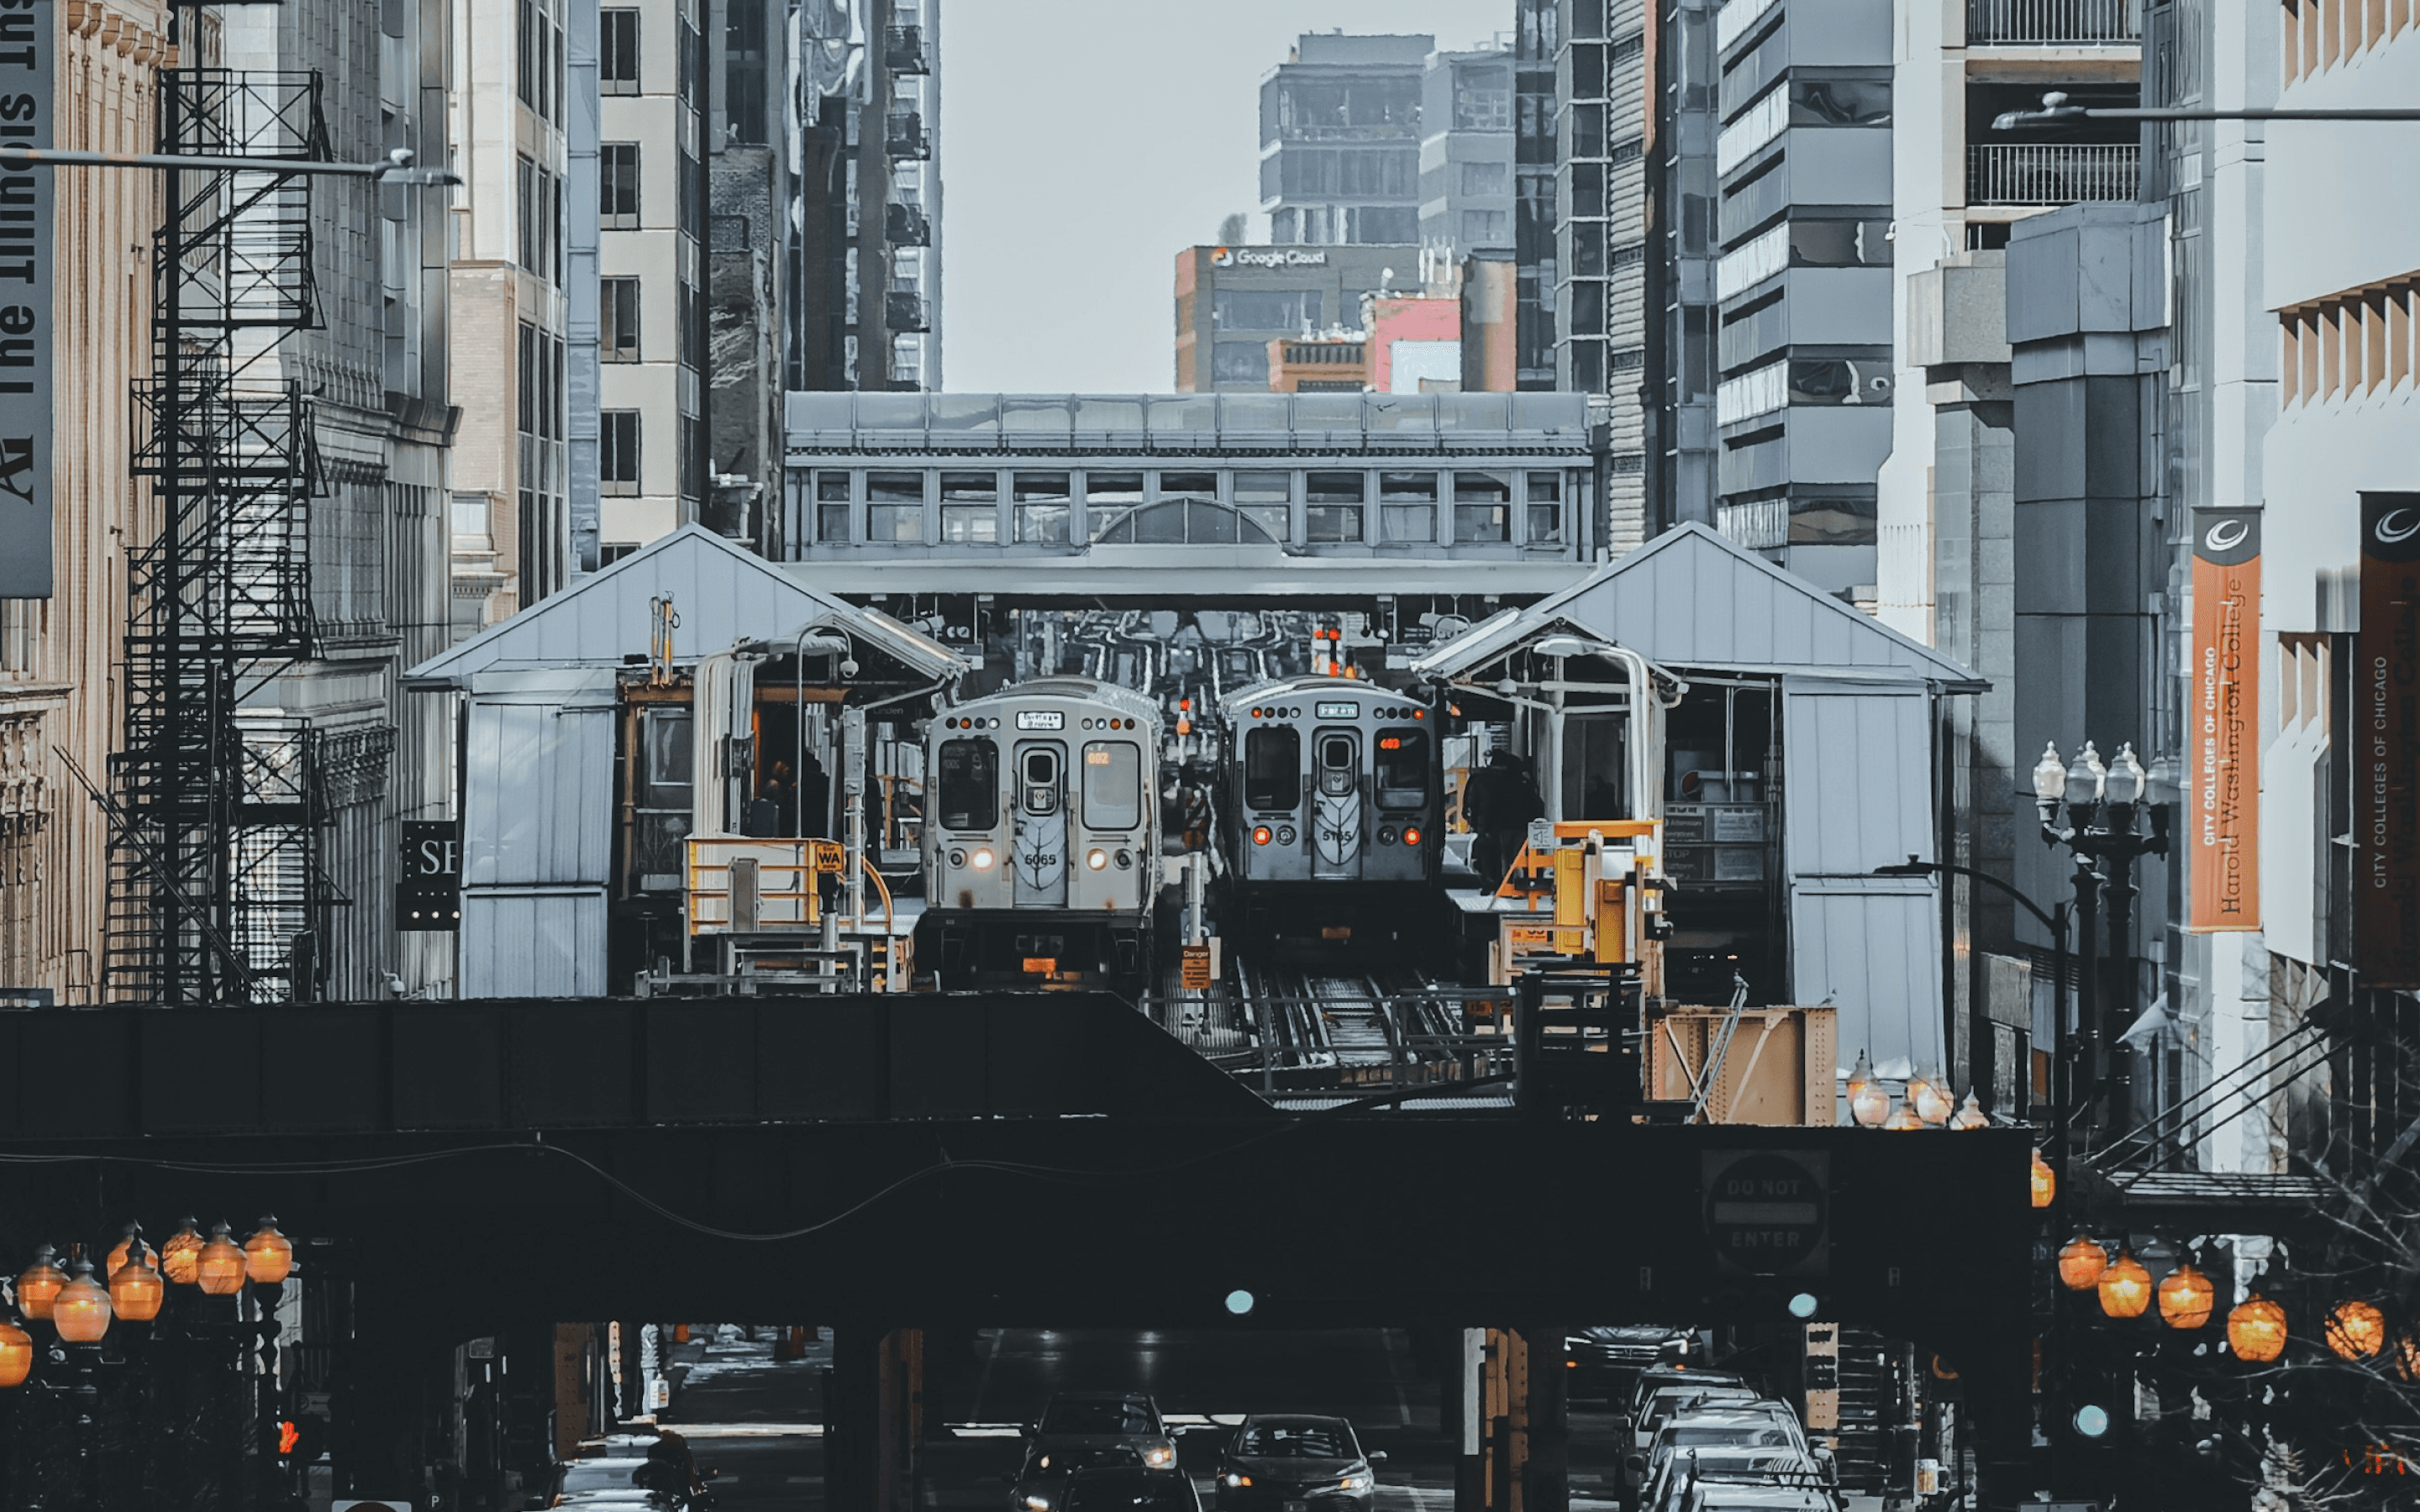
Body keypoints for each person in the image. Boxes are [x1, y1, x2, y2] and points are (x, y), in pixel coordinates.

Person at [1463, 749, 1543, 886]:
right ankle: (1517, 884)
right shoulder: (1523, 783)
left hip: (1499, 825)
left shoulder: (1483, 780)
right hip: (1521, 825)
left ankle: (1502, 883)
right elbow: (1536, 804)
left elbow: (1478, 804)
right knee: (1518, 855)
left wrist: (1478, 823)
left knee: (1502, 855)